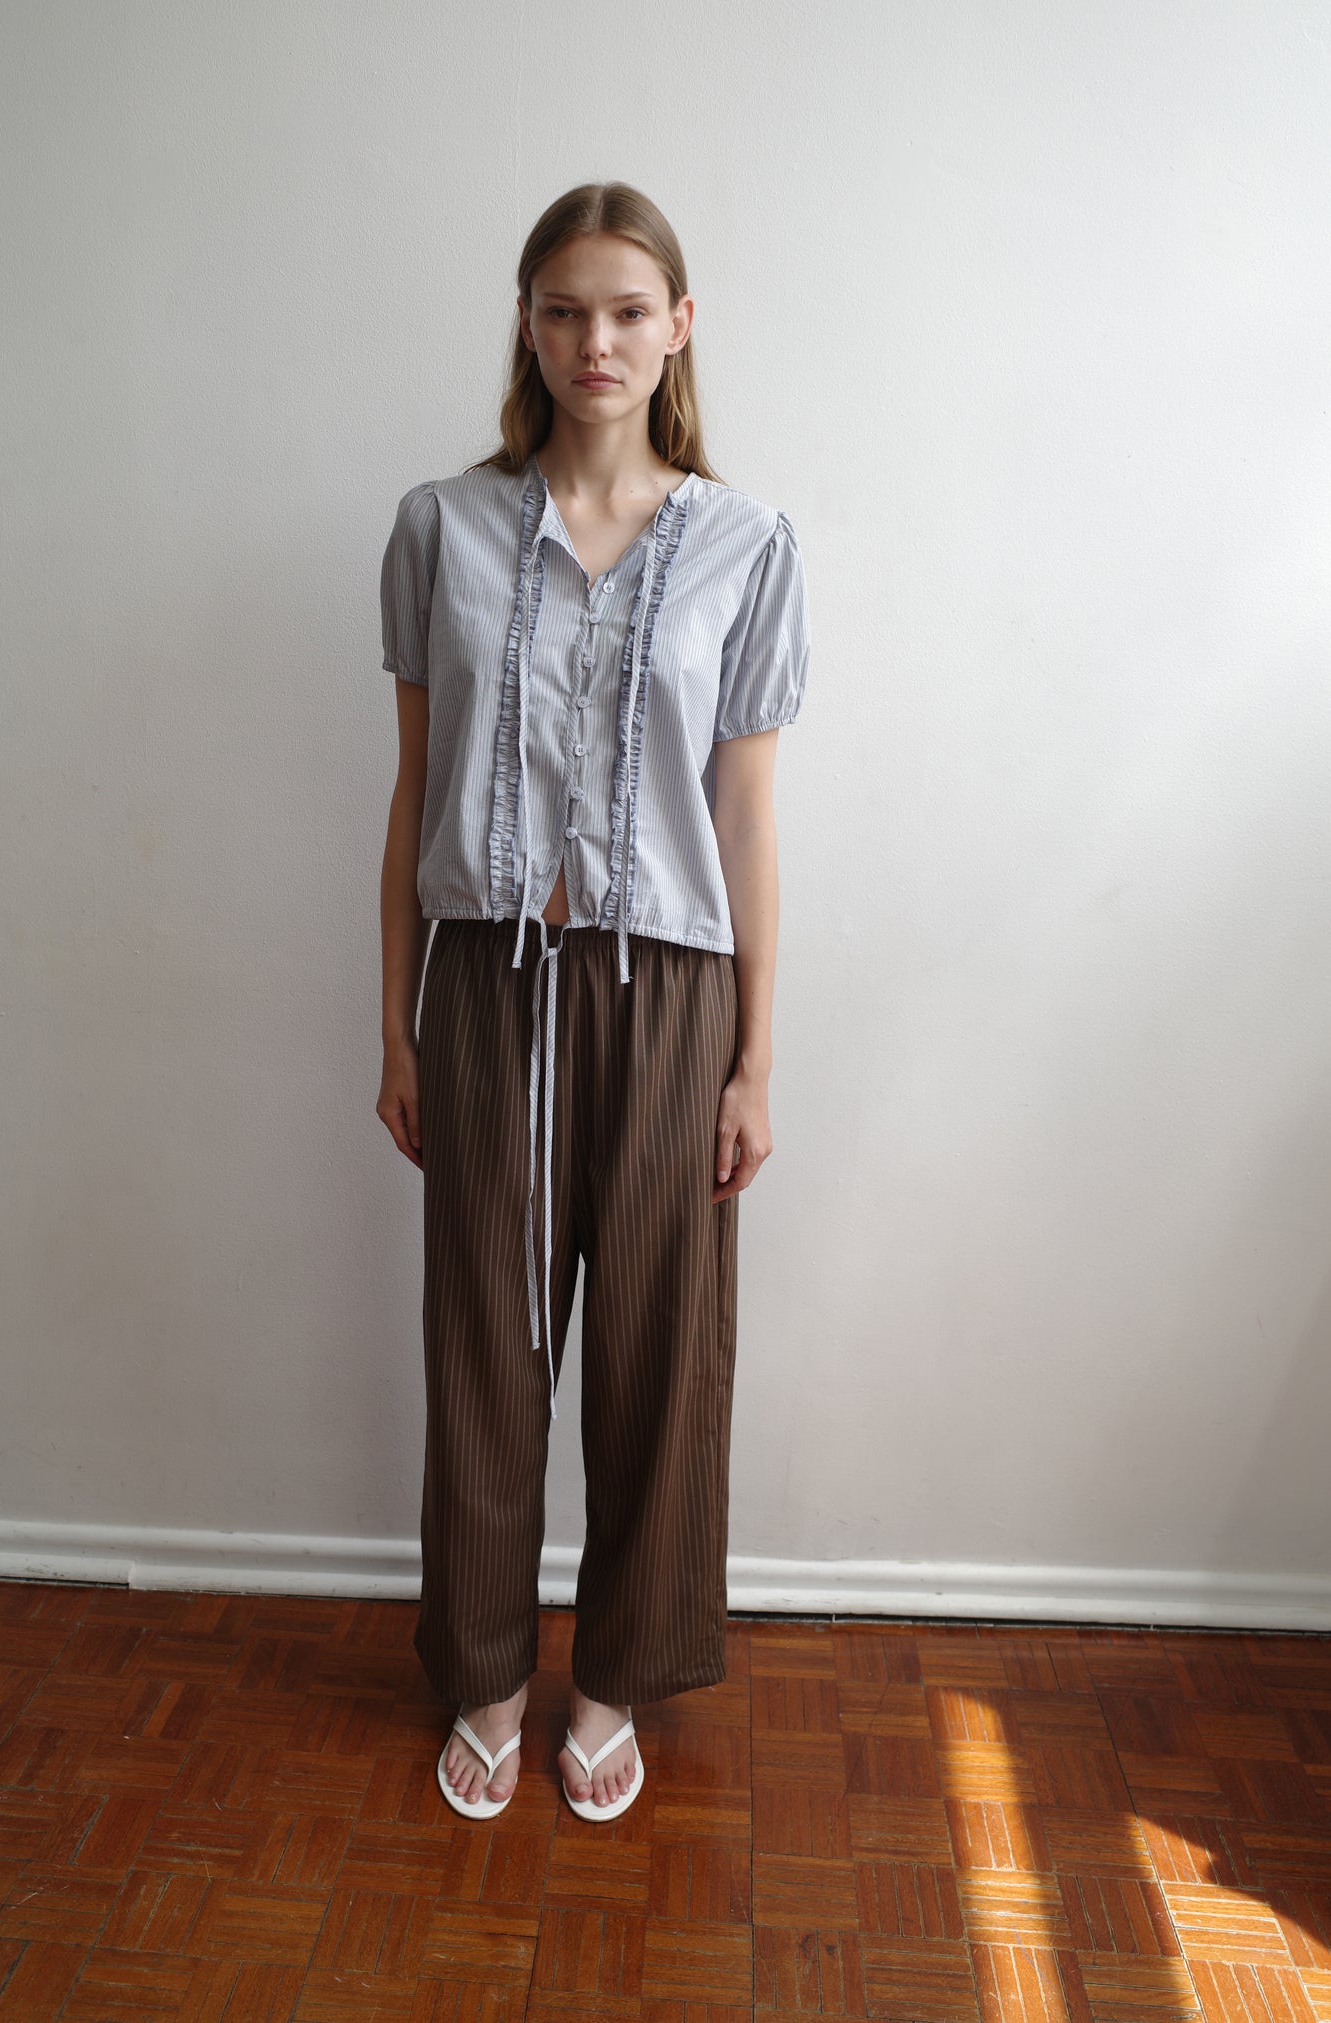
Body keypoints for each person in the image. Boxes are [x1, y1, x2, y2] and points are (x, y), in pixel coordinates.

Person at [376, 181, 810, 1823]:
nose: (594, 342)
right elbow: (410, 798)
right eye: (562, 309)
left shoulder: (747, 546)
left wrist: (756, 1061)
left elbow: (749, 821)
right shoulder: (441, 526)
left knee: (656, 1349)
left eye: (627, 309)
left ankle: (614, 1677)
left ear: (677, 327)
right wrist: (399, 1024)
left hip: (669, 991)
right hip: (488, 981)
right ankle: (486, 1671)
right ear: (527, 324)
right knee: (483, 1342)